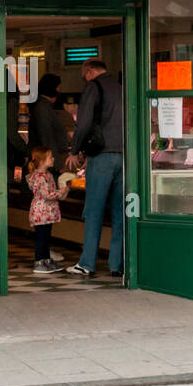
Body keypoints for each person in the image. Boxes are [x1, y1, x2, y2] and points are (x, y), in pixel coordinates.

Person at [65, 59, 124, 277]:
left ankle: (87, 263)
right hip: (124, 157)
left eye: (83, 75)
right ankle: (116, 264)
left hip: (101, 156)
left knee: (94, 211)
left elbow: (84, 122)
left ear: (89, 71)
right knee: (119, 213)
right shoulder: (121, 87)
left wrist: (75, 150)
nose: (84, 79)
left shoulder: (93, 87)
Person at [26, 146, 68, 274]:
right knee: (41, 238)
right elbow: (47, 194)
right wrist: (60, 192)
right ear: (42, 161)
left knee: (46, 237)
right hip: (41, 212)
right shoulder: (40, 177)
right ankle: (39, 261)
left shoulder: (47, 175)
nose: (53, 158)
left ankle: (46, 260)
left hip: (46, 213)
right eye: (50, 157)